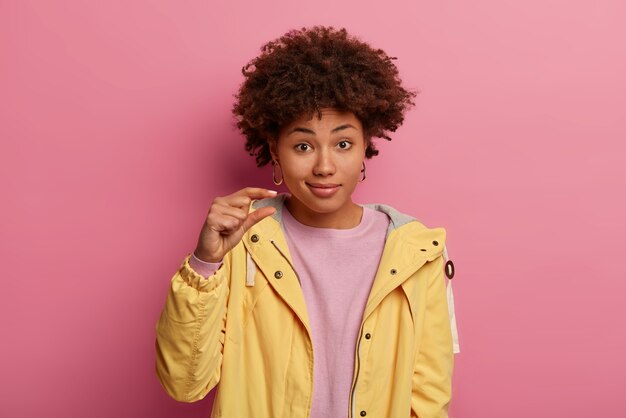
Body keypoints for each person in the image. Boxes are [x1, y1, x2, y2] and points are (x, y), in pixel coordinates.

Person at [155, 25, 459, 418]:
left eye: (343, 143)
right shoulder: (243, 239)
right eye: (302, 146)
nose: (325, 166)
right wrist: (205, 263)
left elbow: (429, 397)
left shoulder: (418, 251)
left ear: (367, 144)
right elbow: (184, 384)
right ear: (275, 152)